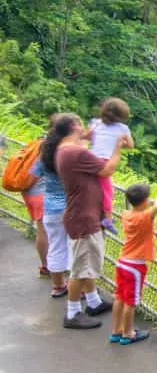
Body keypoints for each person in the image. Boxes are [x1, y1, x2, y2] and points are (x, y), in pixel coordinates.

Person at [54, 114, 128, 329]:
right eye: (81, 124)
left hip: (81, 214)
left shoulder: (65, 149)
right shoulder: (75, 152)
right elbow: (107, 169)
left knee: (85, 264)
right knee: (81, 268)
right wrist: (117, 148)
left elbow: (84, 143)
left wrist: (90, 135)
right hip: (83, 218)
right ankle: (73, 312)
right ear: (74, 127)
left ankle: (93, 302)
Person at [111, 183, 157, 345]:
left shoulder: (126, 215)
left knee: (119, 297)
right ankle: (128, 333)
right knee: (131, 302)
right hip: (135, 266)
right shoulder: (144, 217)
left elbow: (145, 209)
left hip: (122, 261)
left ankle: (116, 331)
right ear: (144, 201)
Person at [33, 115, 74, 297]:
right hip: (71, 205)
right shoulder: (68, 151)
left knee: (56, 246)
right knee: (75, 248)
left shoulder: (45, 150)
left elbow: (35, 172)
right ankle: (78, 289)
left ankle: (58, 285)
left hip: (50, 206)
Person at [87, 98, 134, 236]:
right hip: (105, 162)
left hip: (90, 159)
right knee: (107, 191)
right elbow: (130, 145)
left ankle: (96, 210)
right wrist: (118, 143)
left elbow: (89, 137)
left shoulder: (95, 123)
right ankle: (107, 218)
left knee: (92, 186)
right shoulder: (123, 129)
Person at [20, 136, 49, 278]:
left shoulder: (35, 144)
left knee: (41, 229)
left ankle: (46, 265)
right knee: (43, 231)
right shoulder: (49, 148)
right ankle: (48, 266)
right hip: (41, 194)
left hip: (29, 192)